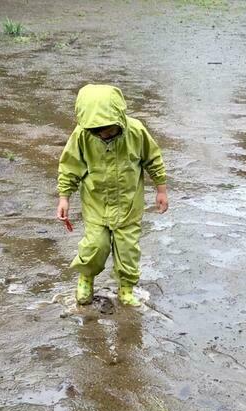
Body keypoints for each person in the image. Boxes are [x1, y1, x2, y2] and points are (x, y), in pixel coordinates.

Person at [56, 84, 168, 307]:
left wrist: (161, 189)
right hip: (96, 204)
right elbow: (69, 167)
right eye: (96, 130)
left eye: (108, 129)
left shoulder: (135, 131)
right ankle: (86, 278)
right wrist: (64, 197)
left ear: (119, 118)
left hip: (128, 205)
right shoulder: (81, 136)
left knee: (128, 249)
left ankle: (126, 289)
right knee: (95, 246)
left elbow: (153, 159)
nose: (103, 134)